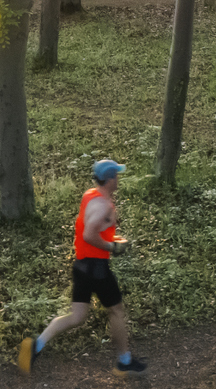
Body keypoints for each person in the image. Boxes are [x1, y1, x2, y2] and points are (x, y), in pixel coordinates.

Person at [19, 158, 145, 374]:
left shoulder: (90, 195)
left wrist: (110, 239)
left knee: (76, 317)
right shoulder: (104, 205)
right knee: (116, 310)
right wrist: (112, 247)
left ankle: (35, 346)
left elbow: (92, 228)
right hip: (97, 268)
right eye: (117, 175)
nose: (118, 179)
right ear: (110, 179)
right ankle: (124, 362)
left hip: (81, 265)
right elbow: (89, 234)